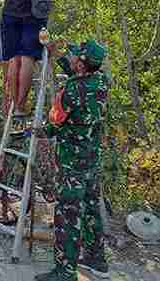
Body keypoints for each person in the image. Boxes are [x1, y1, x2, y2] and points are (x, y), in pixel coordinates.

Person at [35, 39, 110, 281]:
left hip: (71, 164)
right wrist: (58, 55)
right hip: (92, 160)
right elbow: (79, 80)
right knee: (90, 208)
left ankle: (65, 271)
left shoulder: (70, 90)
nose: (73, 58)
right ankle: (97, 259)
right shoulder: (102, 82)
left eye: (76, 57)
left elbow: (56, 121)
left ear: (82, 64)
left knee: (68, 215)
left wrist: (38, 131)